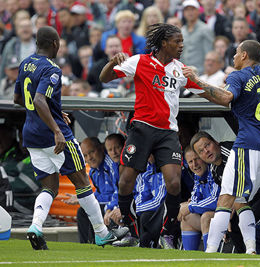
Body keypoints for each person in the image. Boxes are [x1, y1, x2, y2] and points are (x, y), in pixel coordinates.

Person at [99, 23, 205, 250]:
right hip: (141, 129)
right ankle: (128, 227)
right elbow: (104, 78)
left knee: (174, 182)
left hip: (168, 132)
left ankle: (168, 232)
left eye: (182, 41)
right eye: (177, 41)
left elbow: (205, 91)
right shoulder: (139, 61)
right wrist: (112, 62)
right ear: (164, 43)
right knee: (125, 181)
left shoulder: (180, 69)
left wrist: (228, 94)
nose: (181, 45)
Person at [14, 26, 116, 250]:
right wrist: (56, 128)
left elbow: (18, 99)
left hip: (31, 135)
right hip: (54, 136)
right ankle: (102, 233)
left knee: (49, 186)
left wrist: (53, 112)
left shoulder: (25, 64)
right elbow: (40, 99)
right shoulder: (52, 69)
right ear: (54, 44)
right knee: (82, 182)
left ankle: (36, 227)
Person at [183, 39, 260, 254]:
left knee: (226, 197)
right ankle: (251, 250)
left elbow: (225, 98)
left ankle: (210, 251)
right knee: (240, 200)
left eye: (236, 53)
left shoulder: (237, 76)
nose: (232, 57)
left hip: (248, 145)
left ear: (243, 56)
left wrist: (195, 81)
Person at [179, 146, 220, 251]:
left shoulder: (213, 170)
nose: (194, 164)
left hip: (229, 216)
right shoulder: (197, 176)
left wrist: (191, 206)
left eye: (196, 159)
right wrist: (190, 206)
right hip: (215, 217)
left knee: (206, 217)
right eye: (190, 162)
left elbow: (216, 201)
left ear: (203, 157)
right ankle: (190, 260)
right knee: (186, 217)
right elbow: (194, 199)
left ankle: (209, 260)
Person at [181, 0, 214, 74]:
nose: (190, 12)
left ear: (198, 11)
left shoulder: (205, 29)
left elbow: (209, 52)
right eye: (187, 10)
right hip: (184, 73)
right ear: (184, 13)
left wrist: (207, 73)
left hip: (200, 73)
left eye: (192, 9)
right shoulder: (182, 30)